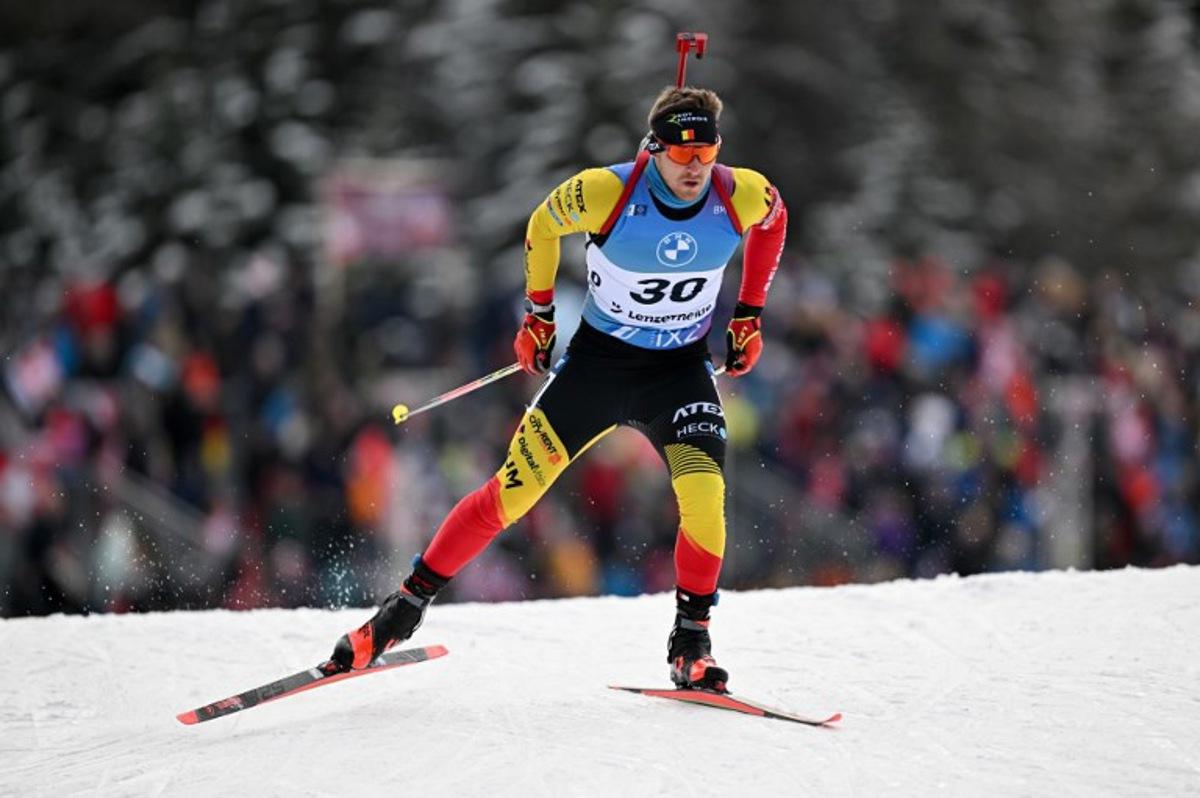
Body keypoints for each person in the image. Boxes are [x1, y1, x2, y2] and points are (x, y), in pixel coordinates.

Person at [329, 85, 788, 691]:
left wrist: (749, 314)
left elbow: (775, 221)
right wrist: (538, 317)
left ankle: (691, 644)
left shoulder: (741, 192)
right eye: (681, 154)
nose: (695, 166)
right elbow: (543, 225)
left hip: (678, 374)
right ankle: (398, 613)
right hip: (596, 370)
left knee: (706, 504)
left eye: (706, 151)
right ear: (654, 150)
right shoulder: (609, 191)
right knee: (509, 498)